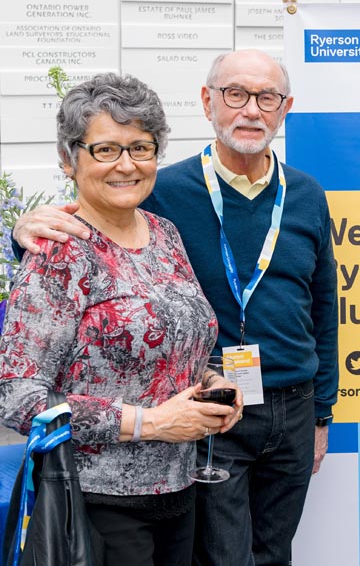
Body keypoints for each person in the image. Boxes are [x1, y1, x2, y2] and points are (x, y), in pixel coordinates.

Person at [13, 49, 339, 566]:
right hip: (168, 446)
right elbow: (81, 232)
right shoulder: (159, 193)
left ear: (285, 107)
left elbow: (324, 305)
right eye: (235, 94)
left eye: (267, 97)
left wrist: (320, 411)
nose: (251, 110)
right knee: (225, 557)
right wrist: (21, 235)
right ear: (208, 102)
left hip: (258, 419)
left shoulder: (296, 198)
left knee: (275, 553)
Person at [0, 72, 243, 565]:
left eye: (141, 147)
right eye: (106, 149)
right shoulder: (58, 254)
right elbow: (16, 396)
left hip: (179, 492)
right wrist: (152, 423)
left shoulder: (165, 234)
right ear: (69, 160)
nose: (127, 165)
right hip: (94, 506)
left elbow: (180, 343)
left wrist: (215, 384)